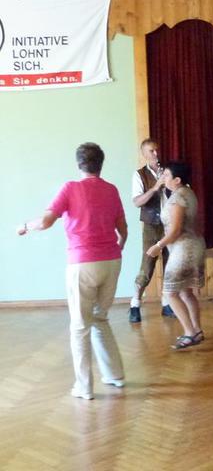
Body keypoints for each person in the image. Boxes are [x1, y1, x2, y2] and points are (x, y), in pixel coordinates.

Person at [17, 143, 127, 400]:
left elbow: (46, 221)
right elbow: (123, 229)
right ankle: (115, 375)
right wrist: (117, 248)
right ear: (101, 164)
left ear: (79, 163)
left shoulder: (70, 187)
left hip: (82, 263)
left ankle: (84, 387)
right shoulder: (111, 190)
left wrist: (25, 226)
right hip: (111, 261)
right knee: (100, 318)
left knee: (80, 326)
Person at [146, 161, 207, 350]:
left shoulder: (178, 197)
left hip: (184, 249)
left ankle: (190, 333)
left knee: (170, 293)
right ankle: (196, 330)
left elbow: (175, 231)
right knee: (185, 291)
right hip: (192, 245)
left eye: (166, 175)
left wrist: (158, 246)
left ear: (177, 179)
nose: (163, 178)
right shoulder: (188, 192)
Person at [128, 138, 175, 323]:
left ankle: (166, 303)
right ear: (144, 154)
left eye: (157, 150)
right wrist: (156, 187)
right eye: (151, 151)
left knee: (170, 265)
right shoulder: (139, 175)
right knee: (147, 265)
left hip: (170, 223)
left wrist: (169, 182)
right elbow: (137, 202)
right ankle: (135, 303)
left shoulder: (168, 171)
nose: (156, 154)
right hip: (152, 225)